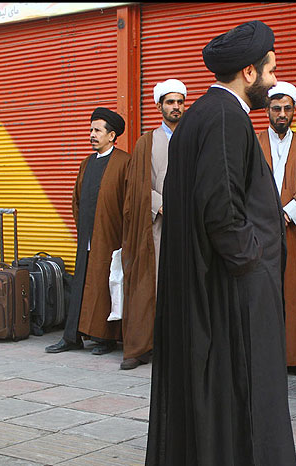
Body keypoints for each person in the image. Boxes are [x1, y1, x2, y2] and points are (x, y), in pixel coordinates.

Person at [142, 20, 296, 466]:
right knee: (232, 393)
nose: (275, 80)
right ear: (248, 72)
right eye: (271, 70)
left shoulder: (198, 116)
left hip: (199, 282)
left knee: (202, 388)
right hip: (226, 287)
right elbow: (221, 209)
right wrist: (253, 259)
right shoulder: (228, 117)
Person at [45, 107, 129, 356]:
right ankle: (72, 337)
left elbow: (129, 203)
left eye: (97, 130)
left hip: (111, 238)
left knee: (105, 286)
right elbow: (77, 200)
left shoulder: (124, 162)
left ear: (112, 135)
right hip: (86, 237)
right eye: (91, 130)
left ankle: (105, 338)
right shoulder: (86, 163)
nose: (91, 134)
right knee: (81, 284)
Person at [119, 79, 187, 371]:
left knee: (186, 286)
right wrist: (162, 204)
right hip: (157, 225)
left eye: (180, 102)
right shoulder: (146, 141)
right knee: (153, 283)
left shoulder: (193, 136)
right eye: (170, 102)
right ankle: (144, 346)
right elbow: (137, 185)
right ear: (159, 106)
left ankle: (182, 347)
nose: (175, 107)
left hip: (189, 225)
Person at [257, 81, 296, 377]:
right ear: (267, 111)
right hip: (261, 231)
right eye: (276, 108)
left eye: (287, 109)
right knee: (263, 292)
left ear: (294, 111)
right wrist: (269, 215)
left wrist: (288, 213)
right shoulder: (254, 144)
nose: (282, 114)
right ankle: (266, 357)